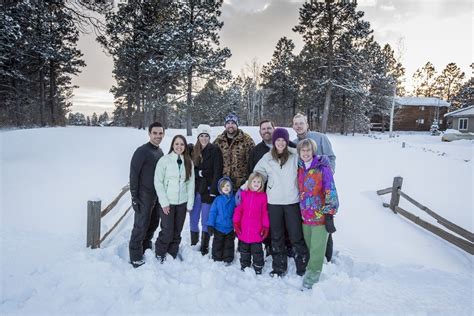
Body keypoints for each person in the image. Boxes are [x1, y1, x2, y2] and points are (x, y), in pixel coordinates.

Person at [253, 128, 309, 277]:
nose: (280, 143)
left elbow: (308, 163)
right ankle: (279, 267)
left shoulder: (294, 154)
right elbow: (257, 174)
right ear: (274, 141)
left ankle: (302, 266)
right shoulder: (266, 158)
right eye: (277, 140)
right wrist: (246, 187)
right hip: (274, 202)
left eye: (283, 140)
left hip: (292, 201)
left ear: (286, 141)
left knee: (296, 235)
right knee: (276, 236)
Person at [247, 120, 297, 258]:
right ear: (260, 132)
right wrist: (247, 188)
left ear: (274, 129)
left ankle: (289, 247)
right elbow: (254, 172)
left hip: (289, 194)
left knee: (289, 225)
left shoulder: (292, 148)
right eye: (263, 129)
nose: (266, 131)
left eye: (269, 128)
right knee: (272, 224)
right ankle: (270, 247)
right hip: (268, 195)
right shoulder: (257, 151)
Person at [292, 113, 337, 262]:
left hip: (322, 191)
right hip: (305, 197)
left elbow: (331, 157)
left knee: (324, 226)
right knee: (309, 229)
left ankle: (327, 258)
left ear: (307, 124)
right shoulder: (293, 143)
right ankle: (312, 256)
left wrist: (327, 173)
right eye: (296, 124)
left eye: (301, 123)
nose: (299, 126)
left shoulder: (320, 138)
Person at [297, 138, 339, 289]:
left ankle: (311, 280)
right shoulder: (300, 168)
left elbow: (331, 190)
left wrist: (329, 213)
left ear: (313, 151)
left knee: (316, 251)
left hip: (320, 217)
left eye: (309, 150)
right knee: (310, 248)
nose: (306, 153)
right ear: (299, 152)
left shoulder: (323, 168)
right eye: (303, 150)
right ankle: (311, 270)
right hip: (305, 217)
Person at [129, 122, 165, 268]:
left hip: (157, 195)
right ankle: (135, 255)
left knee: (153, 222)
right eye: (155, 133)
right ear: (149, 134)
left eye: (160, 133)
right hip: (144, 195)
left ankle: (146, 244)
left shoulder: (160, 151)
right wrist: (134, 197)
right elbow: (134, 174)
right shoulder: (142, 151)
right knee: (141, 225)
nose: (158, 136)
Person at [154, 135, 195, 263]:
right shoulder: (164, 160)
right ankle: (160, 252)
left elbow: (190, 184)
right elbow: (158, 182)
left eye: (182, 144)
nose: (179, 146)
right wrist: (164, 203)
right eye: (176, 144)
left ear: (185, 147)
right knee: (167, 230)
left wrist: (190, 204)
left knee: (177, 230)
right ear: (172, 145)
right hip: (168, 203)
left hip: (182, 203)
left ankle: (172, 252)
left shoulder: (188, 161)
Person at [189, 124, 223, 256]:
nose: (204, 138)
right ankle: (193, 243)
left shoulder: (215, 150)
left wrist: (214, 190)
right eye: (201, 136)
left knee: (206, 218)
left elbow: (217, 171)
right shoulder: (193, 150)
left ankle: (204, 245)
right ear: (198, 137)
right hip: (196, 189)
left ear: (209, 137)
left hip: (209, 189)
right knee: (193, 217)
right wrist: (201, 173)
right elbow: (191, 170)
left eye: (206, 136)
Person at [233, 172, 269, 274]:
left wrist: (265, 226)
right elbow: (239, 210)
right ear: (249, 183)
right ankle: (245, 265)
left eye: (258, 182)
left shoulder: (263, 197)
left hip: (256, 230)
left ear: (261, 184)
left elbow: (265, 213)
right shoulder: (244, 195)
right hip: (244, 229)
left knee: (257, 250)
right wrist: (236, 223)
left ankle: (258, 267)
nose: (256, 184)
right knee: (244, 250)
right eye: (254, 181)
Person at [213, 113, 255, 191]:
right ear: (225, 126)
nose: (230, 125)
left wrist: (249, 180)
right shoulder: (219, 141)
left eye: (233, 123)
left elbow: (253, 161)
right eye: (228, 123)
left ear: (237, 125)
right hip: (224, 184)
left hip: (241, 184)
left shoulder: (246, 140)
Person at [207, 177, 236, 265]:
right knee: (217, 243)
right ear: (220, 189)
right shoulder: (218, 199)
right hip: (218, 227)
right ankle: (216, 257)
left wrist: (236, 225)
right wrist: (210, 224)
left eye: (228, 185)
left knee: (229, 244)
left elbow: (237, 213)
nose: (226, 187)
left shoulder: (234, 199)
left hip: (230, 228)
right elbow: (213, 212)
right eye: (223, 186)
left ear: (231, 187)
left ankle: (228, 259)